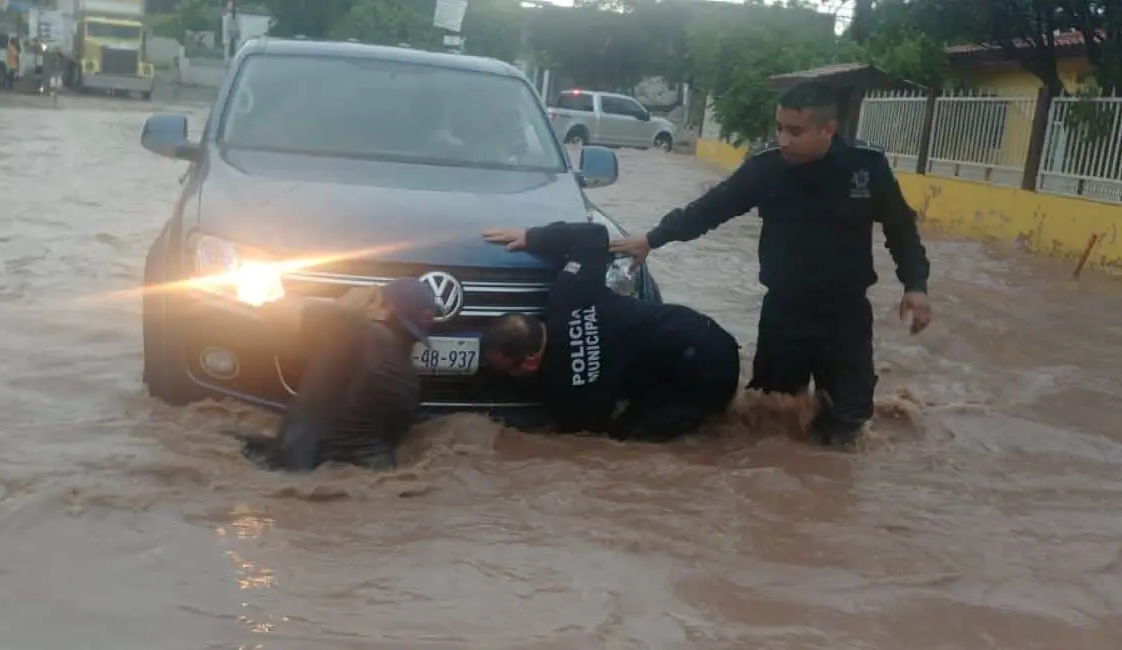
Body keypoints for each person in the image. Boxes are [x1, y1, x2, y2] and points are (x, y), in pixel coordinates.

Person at [610, 80, 933, 447]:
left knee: (848, 425)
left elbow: (901, 227)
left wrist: (915, 286)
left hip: (846, 317)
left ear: (828, 129)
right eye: (779, 128)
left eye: (795, 131)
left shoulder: (866, 167)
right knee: (768, 420)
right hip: (784, 314)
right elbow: (712, 208)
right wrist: (653, 238)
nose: (783, 139)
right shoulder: (767, 168)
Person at [482, 221, 741, 441]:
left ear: (529, 363)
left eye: (508, 371)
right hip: (711, 337)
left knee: (623, 441)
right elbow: (593, 234)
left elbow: (582, 434)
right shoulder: (568, 295)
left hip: (704, 373)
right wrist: (531, 236)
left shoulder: (569, 389)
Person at [240, 278, 438, 472]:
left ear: (384, 307)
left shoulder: (352, 328)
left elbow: (276, 312)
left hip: (307, 468)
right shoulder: (410, 384)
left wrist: (350, 302)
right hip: (374, 470)